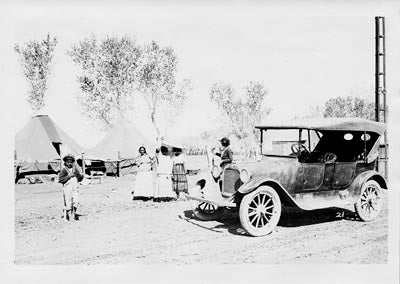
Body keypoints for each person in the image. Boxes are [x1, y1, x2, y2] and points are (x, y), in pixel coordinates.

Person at [58, 154, 84, 221]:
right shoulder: (64, 170)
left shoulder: (75, 170)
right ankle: (70, 216)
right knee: (68, 202)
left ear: (73, 162)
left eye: (71, 162)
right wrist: (68, 176)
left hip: (75, 188)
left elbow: (80, 178)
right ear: (65, 162)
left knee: (76, 201)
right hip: (67, 188)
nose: (69, 163)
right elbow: (60, 180)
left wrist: (81, 174)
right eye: (68, 162)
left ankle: (74, 214)